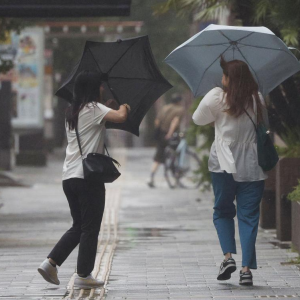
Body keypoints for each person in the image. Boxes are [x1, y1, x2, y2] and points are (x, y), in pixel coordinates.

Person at [38, 70, 131, 289]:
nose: (102, 88)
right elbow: (120, 117)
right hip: (88, 178)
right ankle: (83, 275)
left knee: (79, 225)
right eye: (99, 86)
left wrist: (106, 106)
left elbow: (93, 126)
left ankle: (50, 263)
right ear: (92, 88)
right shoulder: (93, 108)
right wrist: (123, 106)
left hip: (69, 177)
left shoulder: (72, 111)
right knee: (90, 228)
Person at [192, 56, 268, 286]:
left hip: (223, 164)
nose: (221, 78)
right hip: (252, 165)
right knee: (249, 216)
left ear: (229, 78)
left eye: (224, 74)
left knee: (223, 211)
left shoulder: (216, 98)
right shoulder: (257, 99)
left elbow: (197, 119)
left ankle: (228, 257)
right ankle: (246, 270)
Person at [148, 94, 184, 188]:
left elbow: (157, 121)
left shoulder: (164, 108)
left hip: (161, 134)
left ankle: (151, 177)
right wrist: (169, 133)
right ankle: (176, 175)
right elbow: (174, 122)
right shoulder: (179, 110)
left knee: (158, 156)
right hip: (171, 135)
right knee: (176, 154)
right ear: (179, 101)